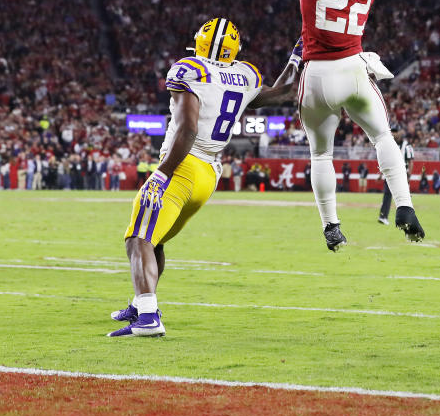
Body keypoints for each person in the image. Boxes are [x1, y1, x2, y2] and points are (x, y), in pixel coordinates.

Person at [244, 0, 425, 250]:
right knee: (382, 136)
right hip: (354, 70)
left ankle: (331, 226)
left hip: (317, 74)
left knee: (321, 154)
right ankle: (405, 206)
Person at [108, 18, 298, 338]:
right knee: (156, 239)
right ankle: (140, 304)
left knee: (138, 236)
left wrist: (161, 174)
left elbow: (188, 128)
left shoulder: (190, 69)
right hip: (209, 173)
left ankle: (148, 315)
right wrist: (295, 59)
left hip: (183, 164)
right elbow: (282, 94)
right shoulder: (246, 75)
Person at [379, 132, 414, 225]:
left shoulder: (407, 147)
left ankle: (406, 218)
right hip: (391, 173)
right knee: (387, 195)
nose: (395, 134)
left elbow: (411, 162)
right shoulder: (391, 145)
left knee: (404, 196)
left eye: (396, 132)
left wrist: (409, 175)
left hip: (402, 175)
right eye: (393, 132)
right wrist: (381, 174)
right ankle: (383, 216)